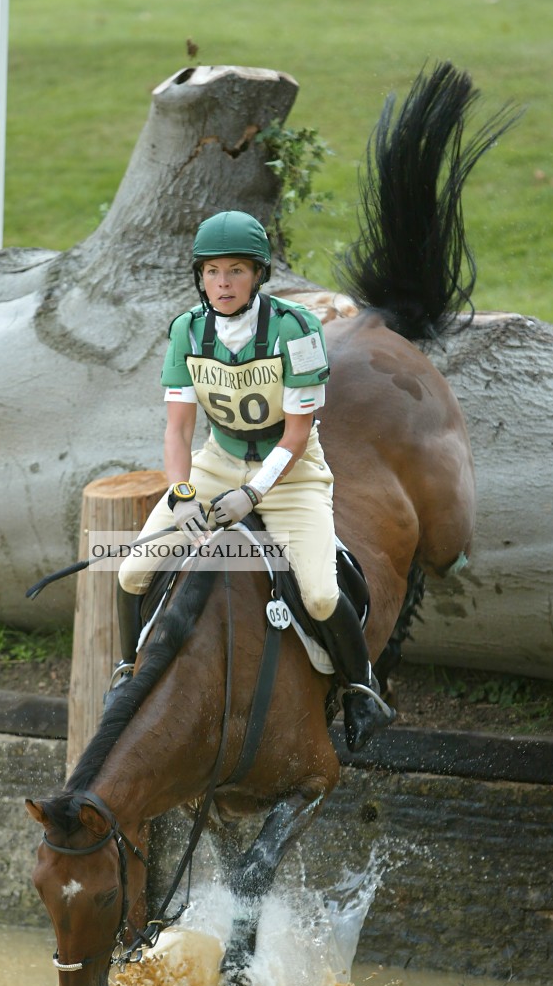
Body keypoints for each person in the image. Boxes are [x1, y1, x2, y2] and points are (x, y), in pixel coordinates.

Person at [109, 210, 394, 750]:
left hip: (291, 471)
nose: (222, 283)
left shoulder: (297, 330)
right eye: (212, 272)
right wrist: (184, 494)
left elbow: (295, 434)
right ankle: (126, 671)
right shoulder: (186, 331)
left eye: (236, 270)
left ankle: (361, 687)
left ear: (258, 275)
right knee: (129, 571)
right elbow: (177, 431)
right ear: (200, 276)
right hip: (217, 463)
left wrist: (253, 494)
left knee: (317, 591)